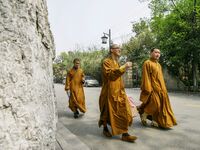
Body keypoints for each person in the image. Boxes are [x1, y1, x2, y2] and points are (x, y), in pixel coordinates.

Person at [98, 44, 137, 142]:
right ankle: (105, 128)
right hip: (109, 92)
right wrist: (124, 67)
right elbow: (110, 75)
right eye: (117, 48)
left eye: (120, 48)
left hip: (119, 91)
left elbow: (118, 77)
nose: (120, 50)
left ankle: (125, 134)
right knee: (108, 111)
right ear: (112, 50)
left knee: (124, 111)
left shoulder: (117, 63)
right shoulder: (106, 62)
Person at [137, 48, 177, 128]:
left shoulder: (159, 65)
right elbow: (146, 77)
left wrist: (164, 88)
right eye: (156, 52)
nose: (158, 54)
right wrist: (148, 88)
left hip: (161, 88)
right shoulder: (147, 63)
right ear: (151, 53)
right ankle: (144, 114)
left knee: (161, 105)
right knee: (156, 104)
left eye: (159, 53)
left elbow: (160, 78)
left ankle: (155, 120)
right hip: (152, 87)